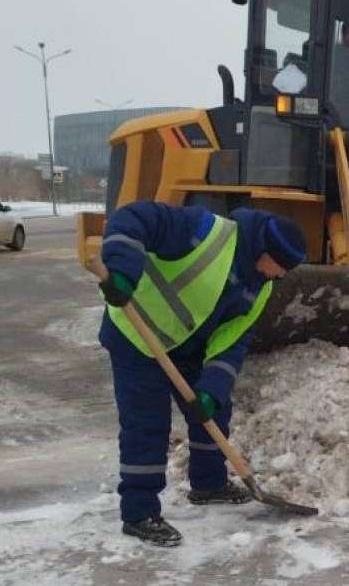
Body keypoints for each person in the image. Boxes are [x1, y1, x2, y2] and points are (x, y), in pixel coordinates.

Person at [97, 201, 307, 547]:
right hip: (136, 335)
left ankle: (208, 484)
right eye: (281, 266)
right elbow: (133, 218)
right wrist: (123, 270)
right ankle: (139, 512)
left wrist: (211, 389)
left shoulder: (260, 287)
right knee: (147, 423)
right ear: (265, 250)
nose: (281, 275)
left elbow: (231, 343)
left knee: (215, 409)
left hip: (185, 346)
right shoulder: (204, 230)